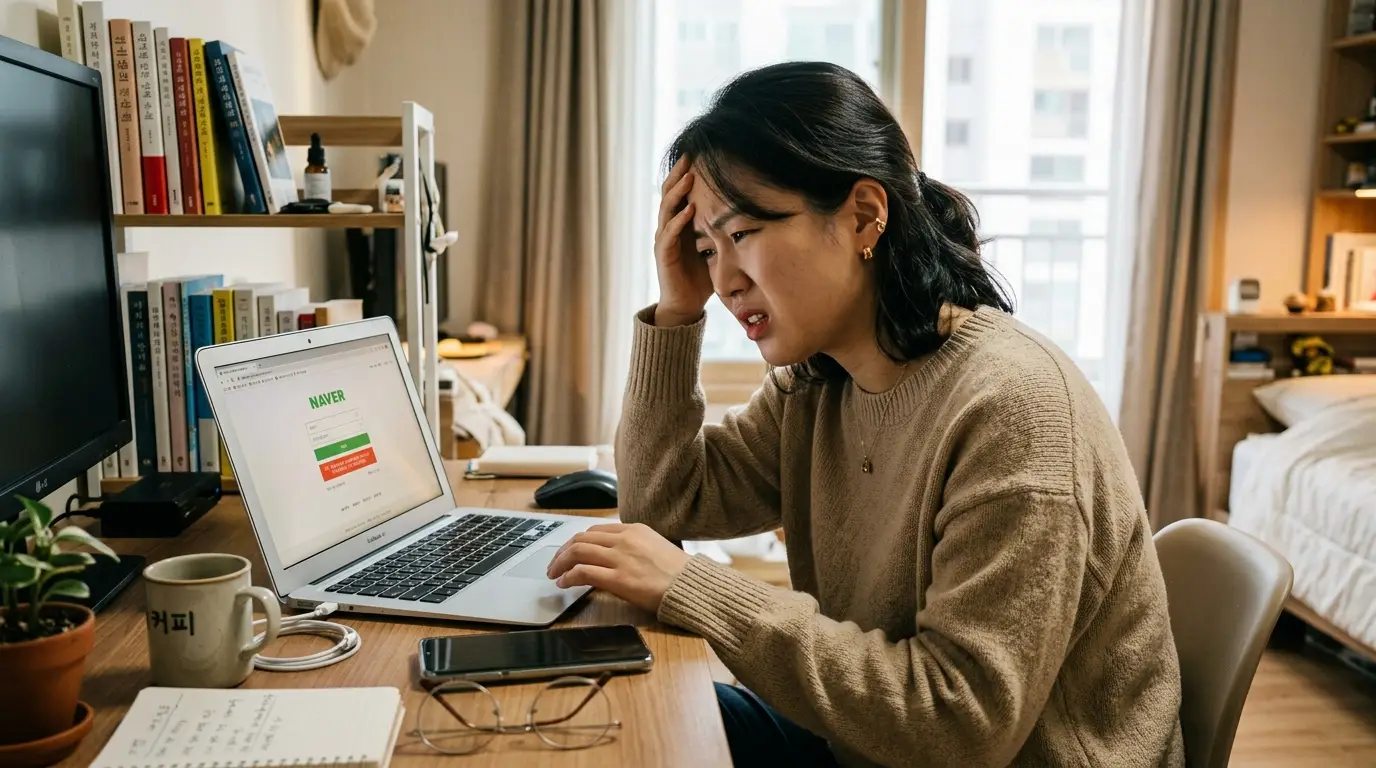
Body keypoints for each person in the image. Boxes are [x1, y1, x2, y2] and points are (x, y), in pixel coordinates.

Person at [546, 61, 1184, 767]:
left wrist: (694, 587)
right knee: (619, 714)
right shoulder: (820, 381)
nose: (723, 280)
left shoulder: (1013, 409)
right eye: (705, 249)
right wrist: (675, 311)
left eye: (744, 233)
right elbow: (665, 502)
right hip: (871, 744)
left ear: (862, 215)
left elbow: (961, 724)